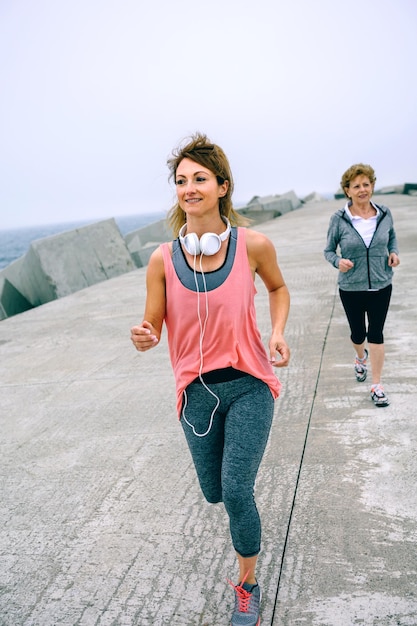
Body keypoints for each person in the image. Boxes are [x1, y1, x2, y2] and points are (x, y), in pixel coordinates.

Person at [131, 132, 290, 625]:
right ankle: (245, 536)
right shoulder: (163, 258)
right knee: (216, 492)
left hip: (248, 384)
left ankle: (247, 583)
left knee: (237, 490)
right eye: (181, 181)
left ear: (222, 186)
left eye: (199, 178)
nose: (189, 188)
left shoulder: (253, 245)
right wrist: (144, 334)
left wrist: (278, 332)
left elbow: (278, 288)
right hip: (195, 396)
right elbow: (153, 323)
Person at [324, 163, 400, 407]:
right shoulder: (339, 219)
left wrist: (393, 253)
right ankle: (360, 357)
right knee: (358, 334)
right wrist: (338, 261)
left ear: (372, 186)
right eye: (356, 186)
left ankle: (377, 385)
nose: (362, 189)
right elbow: (328, 250)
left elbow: (392, 238)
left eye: (366, 184)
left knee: (376, 333)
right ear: (347, 191)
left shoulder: (384, 214)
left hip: (381, 284)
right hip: (351, 287)